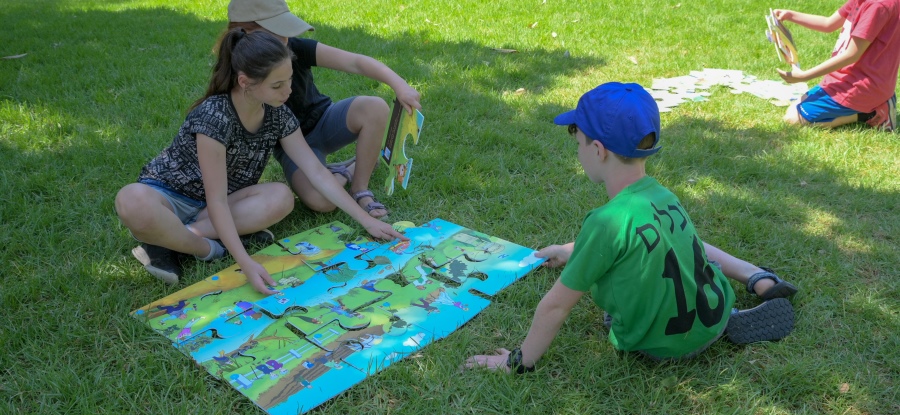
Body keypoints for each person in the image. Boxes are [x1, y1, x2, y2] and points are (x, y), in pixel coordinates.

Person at [464, 83, 797, 372]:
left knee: (614, 315)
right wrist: (570, 251)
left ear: (598, 150)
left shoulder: (605, 221)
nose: (578, 152)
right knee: (676, 241)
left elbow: (556, 305)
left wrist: (518, 362)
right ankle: (742, 296)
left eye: (578, 143)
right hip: (717, 311)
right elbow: (620, 241)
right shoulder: (664, 196)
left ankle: (690, 324)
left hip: (657, 346)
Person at [115, 30, 405, 293]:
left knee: (281, 196)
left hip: (222, 203)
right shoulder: (214, 117)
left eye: (289, 79)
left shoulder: (278, 114)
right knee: (132, 200)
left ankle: (170, 241)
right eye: (277, 85)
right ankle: (209, 249)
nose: (288, 91)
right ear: (246, 83)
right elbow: (215, 201)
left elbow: (316, 171)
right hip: (173, 196)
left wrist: (366, 220)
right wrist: (245, 261)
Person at [227, 0, 423, 219]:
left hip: (325, 121)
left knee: (374, 107)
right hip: (292, 148)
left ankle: (360, 189)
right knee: (321, 201)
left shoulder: (294, 46)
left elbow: (355, 62)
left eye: (286, 32)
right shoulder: (236, 74)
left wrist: (399, 85)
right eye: (278, 32)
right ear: (247, 31)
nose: (285, 40)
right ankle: (348, 169)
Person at [775, 2, 900, 131]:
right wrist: (790, 15)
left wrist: (804, 76)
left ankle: (870, 113)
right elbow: (828, 24)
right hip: (844, 80)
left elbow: (852, 55)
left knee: (792, 120)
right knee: (795, 107)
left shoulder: (878, 6)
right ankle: (873, 106)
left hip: (861, 87)